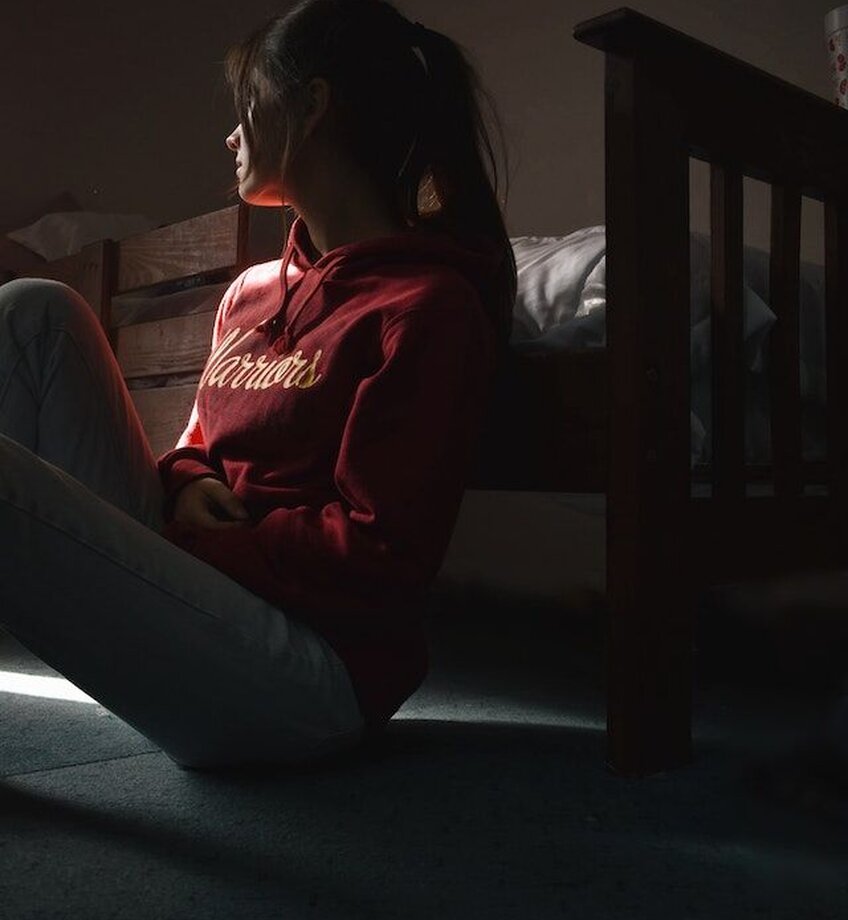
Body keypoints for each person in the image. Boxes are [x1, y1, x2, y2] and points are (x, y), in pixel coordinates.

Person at [0, 0, 516, 771]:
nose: (232, 133)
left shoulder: (426, 308)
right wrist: (186, 478)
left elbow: (380, 555)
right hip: (207, 590)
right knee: (33, 310)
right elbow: (195, 447)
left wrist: (209, 542)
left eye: (249, 105)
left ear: (310, 107)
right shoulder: (248, 295)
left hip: (305, 674)